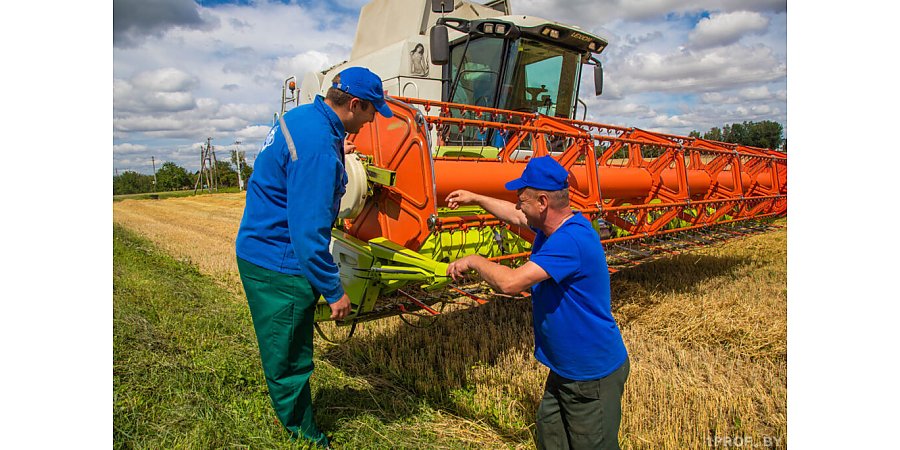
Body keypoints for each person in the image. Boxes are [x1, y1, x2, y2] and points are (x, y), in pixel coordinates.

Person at [235, 66, 393, 448]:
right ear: (354, 104)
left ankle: (293, 414)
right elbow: (308, 235)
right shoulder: (320, 150)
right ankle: (302, 433)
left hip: (262, 245)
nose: (375, 118)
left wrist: (338, 148)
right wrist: (333, 290)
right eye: (373, 111)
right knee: (289, 356)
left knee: (284, 343)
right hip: (279, 260)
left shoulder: (306, 116)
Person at [445, 156, 629, 450]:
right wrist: (476, 198)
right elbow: (515, 216)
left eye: (523, 199)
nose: (518, 206)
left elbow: (511, 283)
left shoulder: (570, 241)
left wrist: (473, 261)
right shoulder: (552, 227)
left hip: (590, 375)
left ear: (542, 202)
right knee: (550, 435)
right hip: (565, 369)